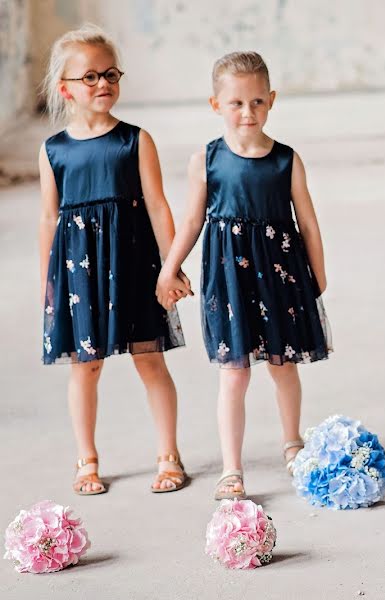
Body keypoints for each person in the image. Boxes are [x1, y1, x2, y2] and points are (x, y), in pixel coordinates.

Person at [156, 51, 331, 501]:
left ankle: (293, 443)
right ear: (216, 105)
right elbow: (192, 221)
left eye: (257, 101)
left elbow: (307, 221)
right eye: (236, 103)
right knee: (233, 373)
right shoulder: (207, 160)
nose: (247, 112)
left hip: (280, 274)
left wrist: (318, 273)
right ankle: (231, 469)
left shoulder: (287, 160)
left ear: (271, 100)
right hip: (229, 277)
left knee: (282, 362)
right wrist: (169, 267)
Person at [38, 25, 189, 495]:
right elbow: (49, 218)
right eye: (89, 77)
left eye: (110, 74)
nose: (102, 83)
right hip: (79, 273)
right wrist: (49, 282)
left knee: (150, 360)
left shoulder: (134, 141)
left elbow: (160, 206)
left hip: (134, 264)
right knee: (86, 366)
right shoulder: (54, 150)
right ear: (65, 88)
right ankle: (87, 459)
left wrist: (171, 265)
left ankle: (168, 454)